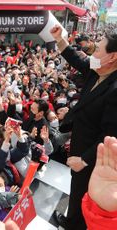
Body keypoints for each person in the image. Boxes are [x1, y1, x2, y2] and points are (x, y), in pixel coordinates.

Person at [50, 25, 117, 229]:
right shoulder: (98, 71)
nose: (92, 53)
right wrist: (60, 39)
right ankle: (73, 220)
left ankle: (74, 225)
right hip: (80, 143)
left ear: (112, 57)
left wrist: (85, 160)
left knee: (84, 193)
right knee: (76, 189)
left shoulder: (114, 90)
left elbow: (110, 134)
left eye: (97, 49)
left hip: (93, 158)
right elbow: (77, 60)